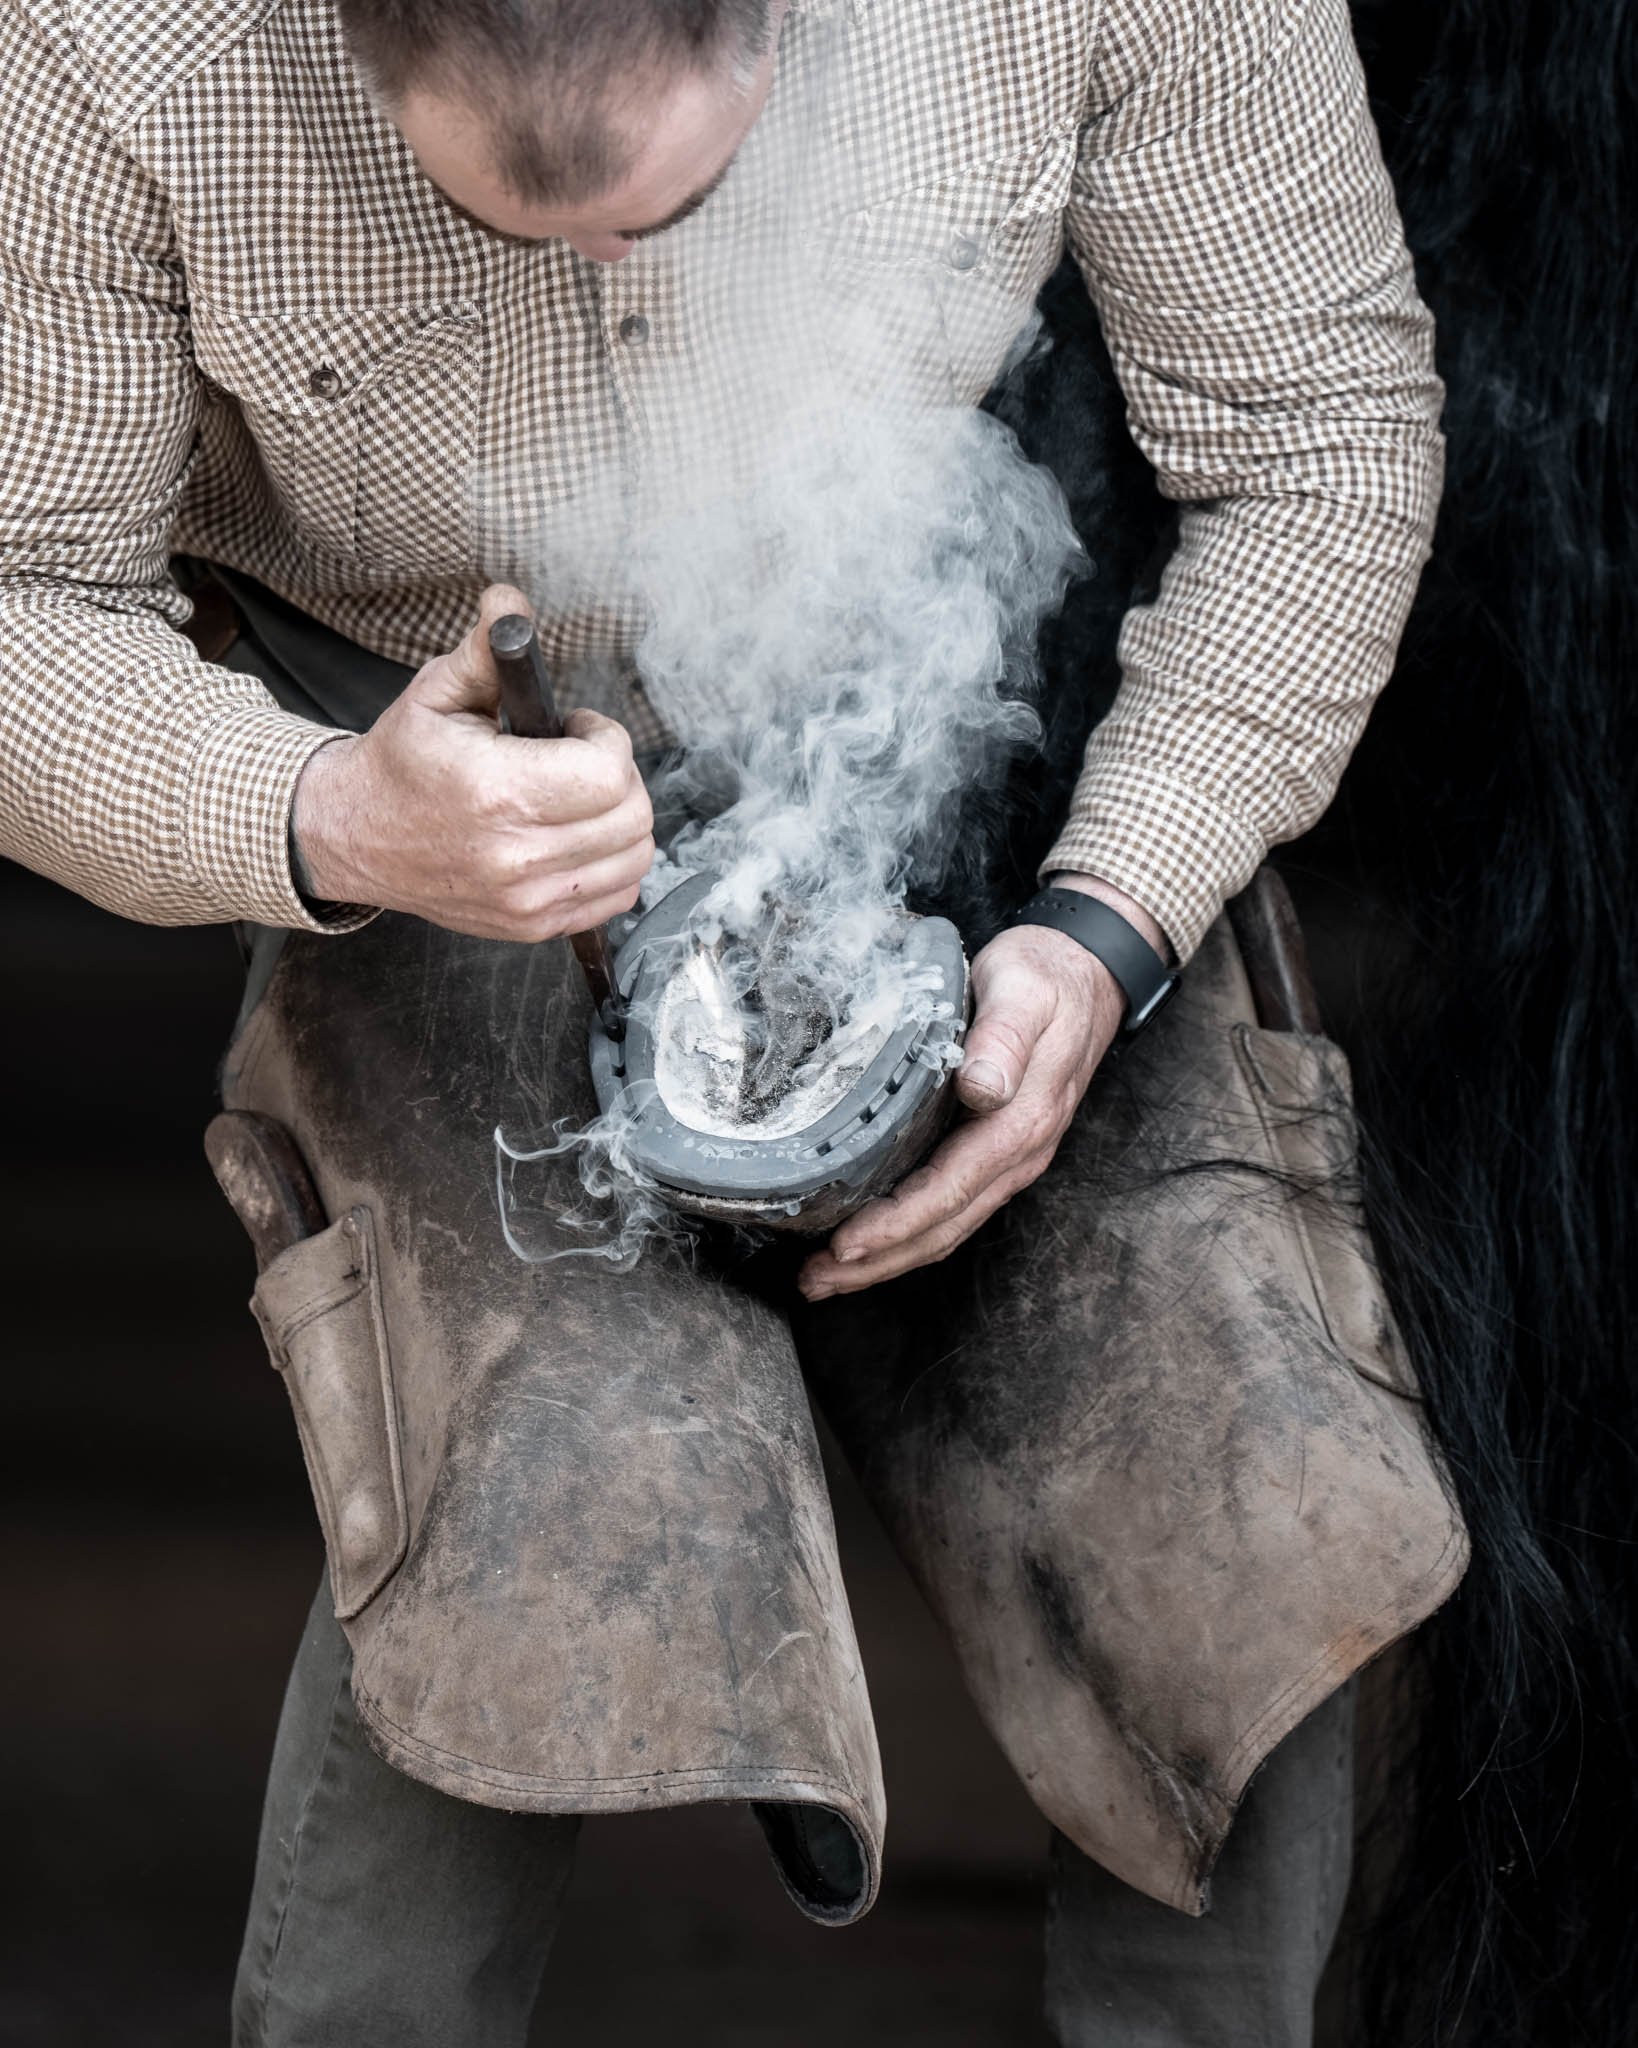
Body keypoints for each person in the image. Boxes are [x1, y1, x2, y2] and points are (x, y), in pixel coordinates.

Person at [0, 2, 1463, 2042]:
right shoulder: (106, 45)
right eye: (507, 216)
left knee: (1227, 1480)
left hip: (951, 660)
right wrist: (338, 815)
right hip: (441, 760)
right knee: (520, 1529)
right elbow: (19, 602)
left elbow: (1321, 439)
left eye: (681, 202)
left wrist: (1108, 926)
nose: (624, 268)